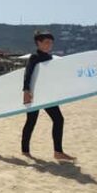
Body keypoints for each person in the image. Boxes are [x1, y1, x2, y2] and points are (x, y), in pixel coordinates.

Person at [22, 31, 75, 161]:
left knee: (59, 120)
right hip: (34, 95)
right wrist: (26, 91)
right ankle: (25, 151)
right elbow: (27, 74)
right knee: (31, 122)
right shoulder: (34, 57)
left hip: (47, 95)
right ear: (38, 43)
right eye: (46, 42)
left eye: (51, 43)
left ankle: (58, 152)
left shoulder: (51, 59)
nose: (49, 45)